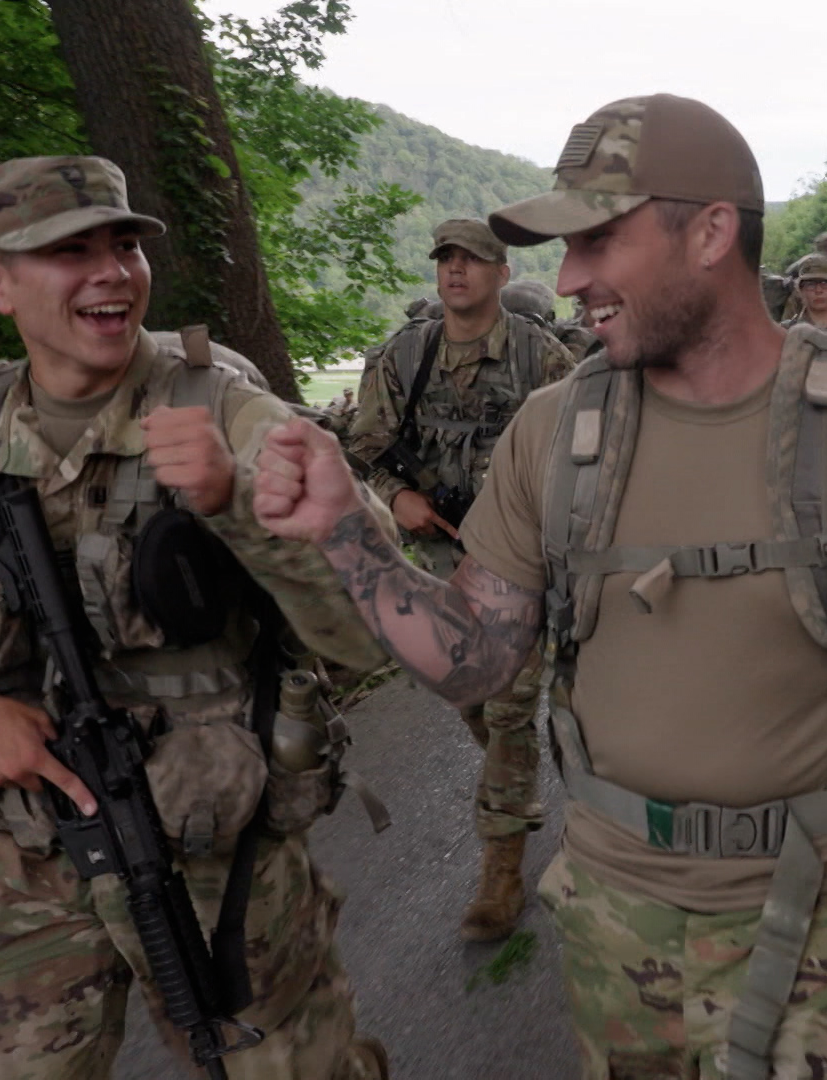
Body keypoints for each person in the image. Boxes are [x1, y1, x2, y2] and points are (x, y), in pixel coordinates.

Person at [251, 94, 827, 1078]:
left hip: (809, 918)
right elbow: (472, 660)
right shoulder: (551, 435)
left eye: (600, 242)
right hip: (611, 924)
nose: (569, 279)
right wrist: (344, 532)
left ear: (710, 232)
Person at [0, 155, 392, 1078]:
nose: (111, 271)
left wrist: (233, 494)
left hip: (220, 831)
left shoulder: (226, 407)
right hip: (35, 834)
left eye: (125, 244)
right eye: (69, 251)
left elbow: (373, 621)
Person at [344, 217, 575, 941]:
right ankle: (524, 782)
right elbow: (367, 445)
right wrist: (396, 492)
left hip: (534, 560)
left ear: (501, 273)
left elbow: (586, 449)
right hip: (450, 562)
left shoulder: (543, 357)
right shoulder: (404, 357)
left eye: (471, 259)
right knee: (474, 701)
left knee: (509, 710)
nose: (455, 270)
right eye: (445, 258)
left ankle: (500, 870)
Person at [779, 253, 827, 330]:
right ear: (800, 290)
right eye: (810, 284)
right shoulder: (786, 330)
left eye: (826, 283)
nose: (818, 290)